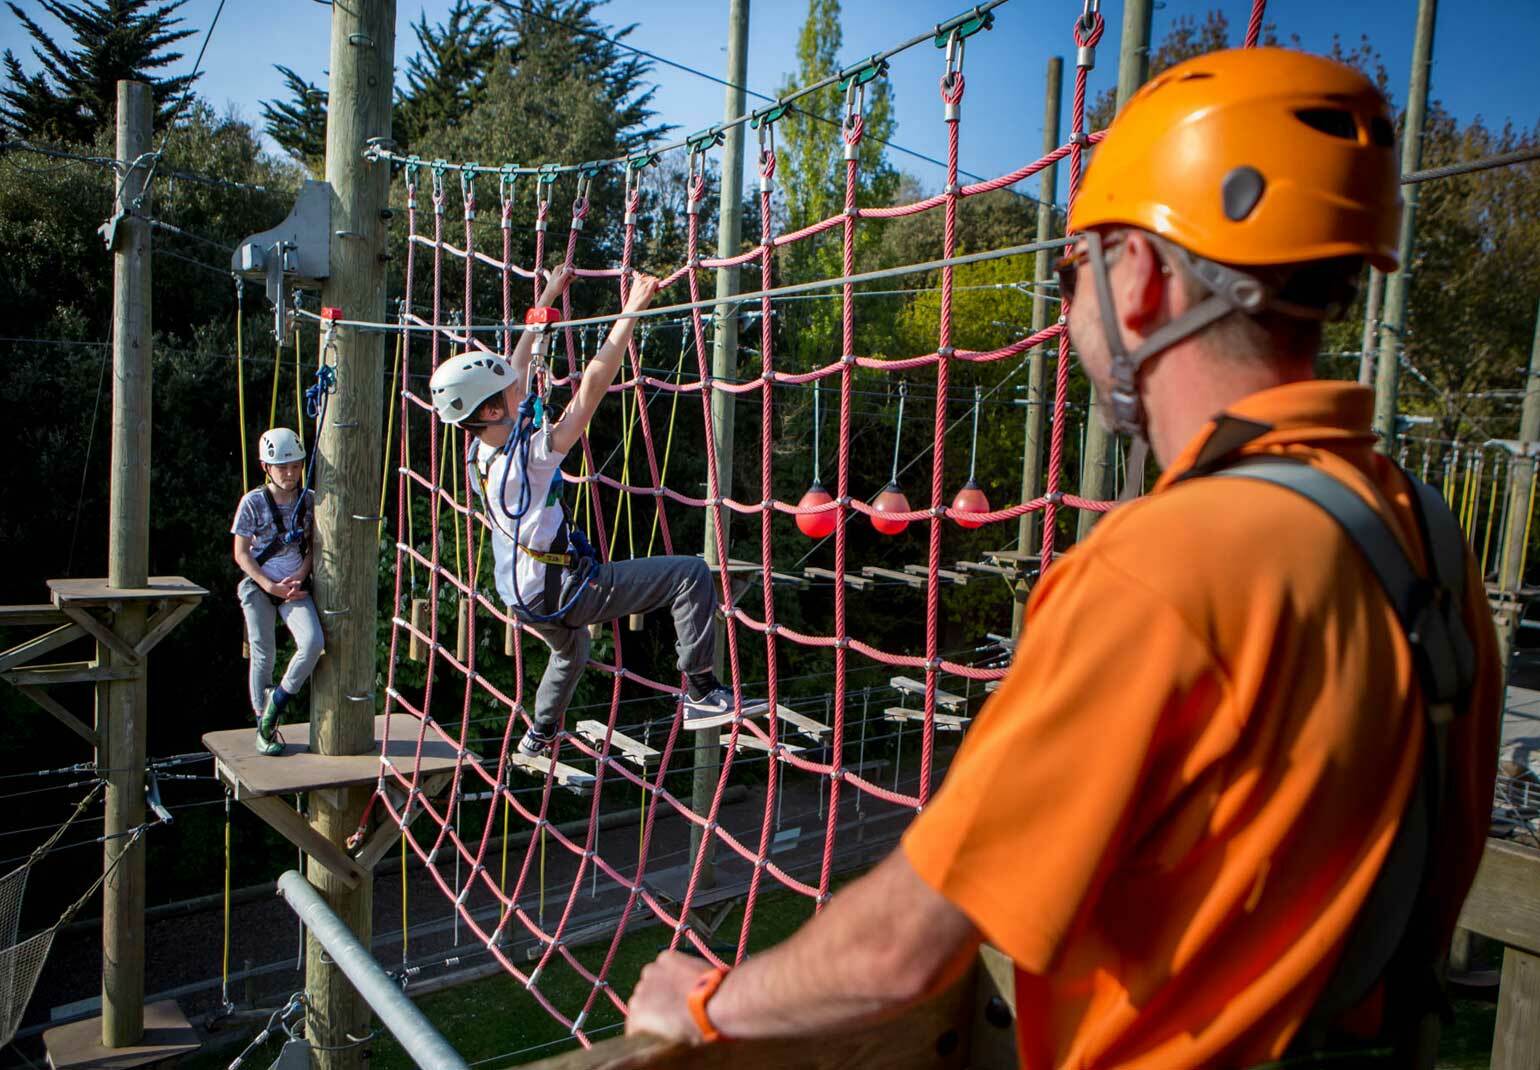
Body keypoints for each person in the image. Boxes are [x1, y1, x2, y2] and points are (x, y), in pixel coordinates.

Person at [626, 47, 1502, 1068]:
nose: (1066, 301)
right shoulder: (1421, 537)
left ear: (1142, 276)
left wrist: (705, 1003)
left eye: (1072, 270)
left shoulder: (1167, 567)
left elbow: (904, 946)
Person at [428, 268, 768, 760]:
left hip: (520, 593)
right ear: (493, 411)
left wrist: (547, 299)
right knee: (689, 575)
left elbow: (515, 366)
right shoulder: (532, 456)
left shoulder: (479, 449)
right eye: (510, 392)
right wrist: (631, 309)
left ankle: (540, 731)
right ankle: (701, 691)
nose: (520, 388)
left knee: (572, 651)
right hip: (560, 590)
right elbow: (592, 386)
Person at [232, 427, 323, 756]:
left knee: (313, 643)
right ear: (266, 468)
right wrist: (269, 585)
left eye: (296, 466)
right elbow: (241, 553)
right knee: (263, 652)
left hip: (294, 585)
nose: (290, 473)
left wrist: (300, 575)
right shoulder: (253, 503)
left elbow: (313, 545)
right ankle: (263, 724)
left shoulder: (309, 500)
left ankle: (277, 701)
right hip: (260, 585)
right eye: (282, 467)